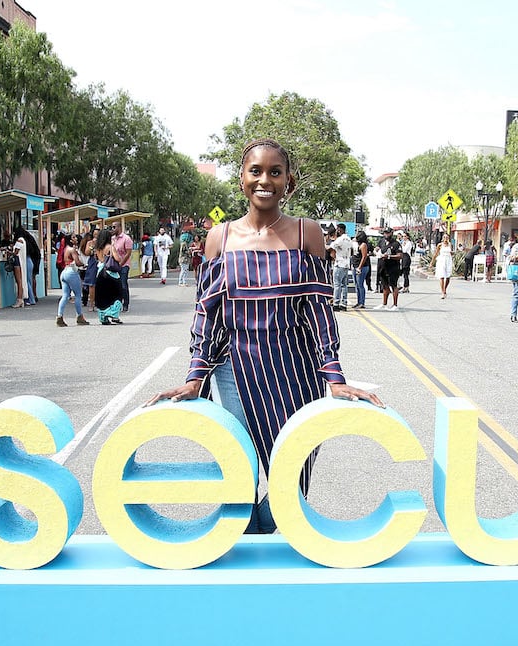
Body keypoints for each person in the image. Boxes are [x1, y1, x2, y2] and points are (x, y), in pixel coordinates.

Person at [144, 138, 381, 534]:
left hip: (296, 373)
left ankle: (261, 534)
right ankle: (248, 545)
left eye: (275, 172)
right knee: (239, 473)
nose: (265, 180)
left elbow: (319, 312)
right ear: (242, 179)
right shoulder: (220, 237)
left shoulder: (307, 233)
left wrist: (335, 377)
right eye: (255, 171)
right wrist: (195, 377)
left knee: (293, 479)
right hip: (235, 372)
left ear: (288, 181)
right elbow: (207, 314)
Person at [56, 235, 89, 327]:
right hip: (72, 272)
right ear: (70, 240)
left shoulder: (66, 249)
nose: (76, 238)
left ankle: (59, 316)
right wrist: (84, 265)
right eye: (74, 237)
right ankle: (79, 316)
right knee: (78, 295)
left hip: (64, 272)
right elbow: (77, 262)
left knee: (65, 295)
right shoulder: (72, 250)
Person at [328, 223, 353, 311]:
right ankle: (344, 303)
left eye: (337, 229)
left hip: (339, 263)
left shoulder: (340, 239)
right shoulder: (349, 239)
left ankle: (336, 303)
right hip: (346, 264)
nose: (337, 231)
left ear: (340, 229)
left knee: (337, 284)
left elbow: (330, 247)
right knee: (344, 285)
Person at [376, 228, 402, 310]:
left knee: (393, 285)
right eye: (385, 233)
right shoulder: (381, 241)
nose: (386, 235)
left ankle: (395, 305)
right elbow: (377, 248)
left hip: (393, 267)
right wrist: (376, 250)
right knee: (384, 285)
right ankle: (384, 303)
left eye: (388, 233)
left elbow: (400, 256)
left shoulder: (396, 244)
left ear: (391, 233)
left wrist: (389, 256)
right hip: (383, 266)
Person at [111, 222, 134, 312]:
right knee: (115, 285)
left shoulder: (126, 238)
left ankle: (125, 304)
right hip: (114, 265)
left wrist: (121, 264)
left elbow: (128, 253)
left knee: (123, 284)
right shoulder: (112, 239)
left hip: (124, 265)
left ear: (119, 227)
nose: (113, 229)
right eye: (112, 227)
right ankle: (117, 303)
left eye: (114, 227)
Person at [432, 233, 454, 300]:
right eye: (444, 237)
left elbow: (451, 253)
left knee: (448, 277)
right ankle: (443, 292)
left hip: (448, 260)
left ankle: (445, 289)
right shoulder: (440, 245)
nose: (445, 239)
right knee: (441, 276)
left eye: (447, 237)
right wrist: (432, 262)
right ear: (442, 238)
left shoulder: (450, 245)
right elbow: (436, 253)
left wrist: (452, 253)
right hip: (441, 261)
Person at [352, 230, 371, 308]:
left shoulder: (363, 245)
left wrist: (359, 267)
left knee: (360, 284)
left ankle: (362, 302)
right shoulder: (356, 244)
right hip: (355, 265)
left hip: (362, 267)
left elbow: (364, 256)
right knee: (356, 285)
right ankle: (358, 301)